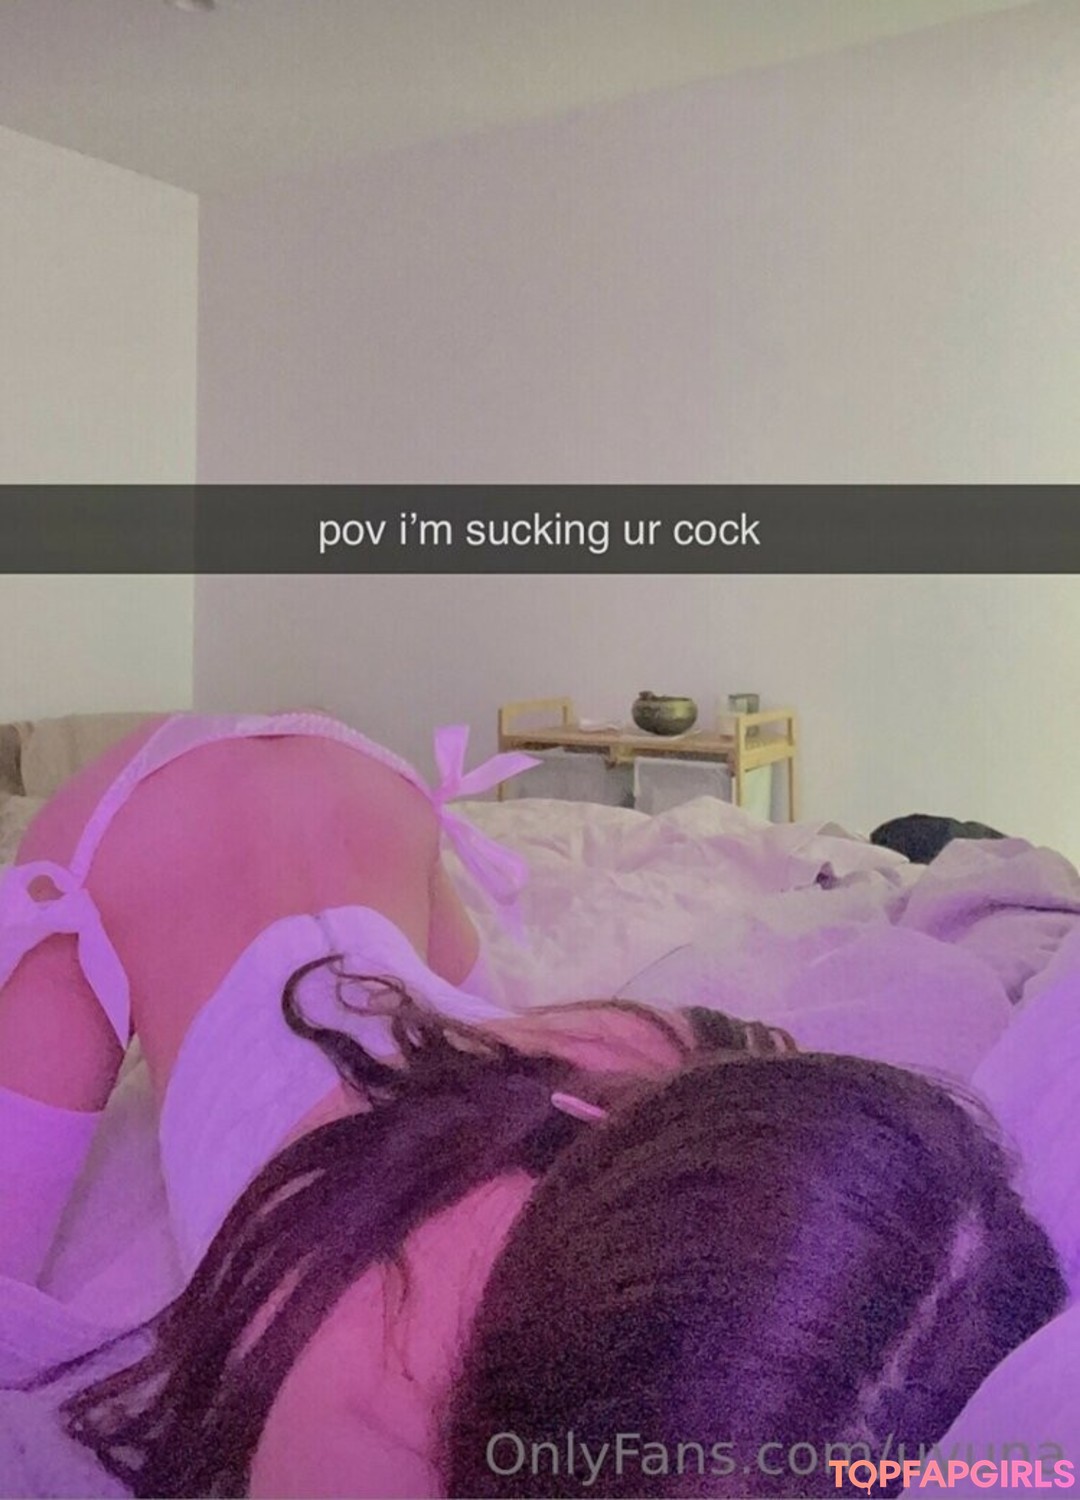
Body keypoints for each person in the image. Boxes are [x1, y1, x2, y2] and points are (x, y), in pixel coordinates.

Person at [0, 713, 1066, 1500]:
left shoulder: (616, 1111)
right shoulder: (362, 1417)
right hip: (143, 823)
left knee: (487, 1031)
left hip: (361, 791)